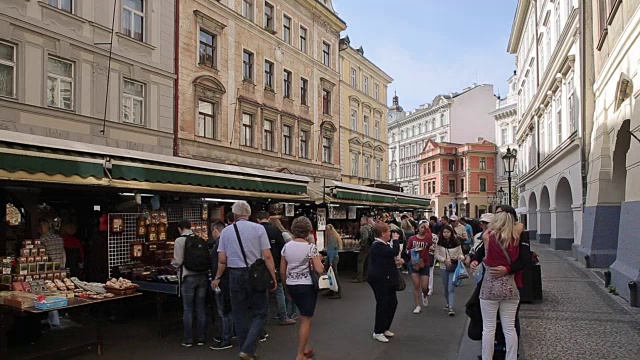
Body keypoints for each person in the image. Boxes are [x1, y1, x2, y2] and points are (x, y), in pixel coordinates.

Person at [212, 201, 277, 360]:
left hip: (234, 274)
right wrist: (273, 277)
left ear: (234, 214)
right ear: (248, 214)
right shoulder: (258, 228)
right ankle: (248, 350)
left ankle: (245, 350)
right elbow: (267, 255)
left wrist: (218, 278)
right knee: (261, 313)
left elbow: (222, 259)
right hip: (255, 273)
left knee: (238, 313)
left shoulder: (226, 232)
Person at [479, 210, 521, 360]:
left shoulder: (487, 237)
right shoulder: (515, 239)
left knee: (489, 328)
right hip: (510, 287)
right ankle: (511, 358)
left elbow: (486, 259)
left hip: (490, 287)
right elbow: (520, 226)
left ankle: (487, 358)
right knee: (509, 328)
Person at [280, 217, 324, 360]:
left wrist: (286, 287)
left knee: (301, 317)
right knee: (306, 319)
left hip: (292, 284)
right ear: (308, 230)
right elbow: (319, 269)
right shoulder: (311, 247)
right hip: (307, 285)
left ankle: (304, 346)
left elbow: (282, 271)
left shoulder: (286, 247)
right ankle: (300, 354)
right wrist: (320, 263)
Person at [172, 219, 209, 347]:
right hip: (202, 276)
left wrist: (172, 264)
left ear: (179, 228)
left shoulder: (179, 241)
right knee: (200, 307)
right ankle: (201, 338)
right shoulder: (200, 239)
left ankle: (188, 339)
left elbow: (177, 261)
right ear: (190, 227)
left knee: (188, 309)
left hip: (188, 278)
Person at [367, 223, 404, 343]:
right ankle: (378, 331)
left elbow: (389, 257)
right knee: (383, 304)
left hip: (387, 278)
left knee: (392, 302)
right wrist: (396, 240)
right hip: (379, 279)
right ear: (383, 233)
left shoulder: (383, 245)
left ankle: (385, 327)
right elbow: (393, 251)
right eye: (388, 231)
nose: (390, 233)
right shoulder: (377, 245)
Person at [257, 211, 295, 326]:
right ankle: (283, 316)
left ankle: (263, 319)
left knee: (262, 293)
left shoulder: (256, 230)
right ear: (268, 218)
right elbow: (282, 250)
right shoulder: (276, 231)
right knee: (279, 291)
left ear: (258, 219)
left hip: (258, 266)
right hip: (276, 265)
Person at [208, 222, 234, 351]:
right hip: (229, 279)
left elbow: (221, 262)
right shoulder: (228, 242)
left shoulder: (220, 243)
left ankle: (226, 338)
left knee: (223, 311)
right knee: (228, 309)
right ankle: (229, 334)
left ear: (215, 230)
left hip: (222, 281)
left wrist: (216, 278)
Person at [39, 218, 65, 329]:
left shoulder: (42, 239)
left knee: (49, 294)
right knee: (58, 292)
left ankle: (54, 321)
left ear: (42, 228)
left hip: (48, 270)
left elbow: (41, 256)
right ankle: (59, 316)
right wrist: (62, 266)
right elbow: (63, 253)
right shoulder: (59, 238)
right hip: (60, 268)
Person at [434, 225, 465, 316]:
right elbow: (436, 255)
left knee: (451, 287)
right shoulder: (439, 243)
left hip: (454, 267)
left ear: (451, 233)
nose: (446, 234)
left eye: (448, 232)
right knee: (445, 287)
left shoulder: (456, 243)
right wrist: (444, 260)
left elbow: (461, 253)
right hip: (443, 267)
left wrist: (460, 257)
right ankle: (448, 303)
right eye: (444, 232)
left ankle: (451, 307)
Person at [406, 221, 433, 314]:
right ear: (418, 228)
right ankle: (417, 305)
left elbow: (431, 241)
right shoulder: (412, 238)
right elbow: (408, 249)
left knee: (425, 286)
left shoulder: (428, 238)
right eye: (421, 227)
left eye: (425, 227)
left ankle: (424, 295)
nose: (423, 229)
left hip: (425, 263)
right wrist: (413, 251)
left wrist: (428, 228)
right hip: (414, 263)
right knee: (416, 284)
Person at [352, 216, 374, 283]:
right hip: (370, 247)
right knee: (368, 262)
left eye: (361, 220)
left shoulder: (364, 228)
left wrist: (362, 245)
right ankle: (367, 276)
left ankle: (359, 278)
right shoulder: (370, 227)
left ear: (365, 220)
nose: (360, 222)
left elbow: (365, 238)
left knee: (360, 262)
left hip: (365, 247)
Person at [324, 224, 343, 299]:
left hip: (332, 258)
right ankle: (332, 290)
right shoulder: (335, 237)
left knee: (334, 275)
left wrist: (330, 261)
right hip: (334, 257)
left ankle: (338, 292)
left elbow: (331, 251)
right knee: (332, 275)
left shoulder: (331, 238)